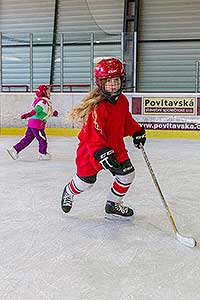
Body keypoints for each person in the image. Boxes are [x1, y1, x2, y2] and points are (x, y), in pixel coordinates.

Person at [61, 57, 146, 219]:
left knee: (127, 174)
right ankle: (69, 191)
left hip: (116, 148)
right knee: (85, 183)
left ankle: (113, 204)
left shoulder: (122, 101)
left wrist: (136, 131)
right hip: (91, 153)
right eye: (108, 81)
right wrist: (101, 152)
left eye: (116, 80)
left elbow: (126, 120)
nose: (113, 84)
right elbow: (90, 135)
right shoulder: (97, 107)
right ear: (100, 83)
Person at [7, 84, 58, 160]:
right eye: (48, 91)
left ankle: (14, 149)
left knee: (27, 139)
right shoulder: (43, 101)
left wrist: (53, 113)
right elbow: (37, 110)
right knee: (42, 139)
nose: (49, 92)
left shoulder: (43, 101)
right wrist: (28, 114)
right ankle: (42, 154)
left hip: (33, 124)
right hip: (37, 125)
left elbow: (43, 112)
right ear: (43, 92)